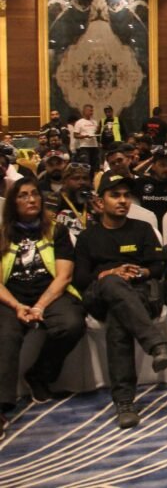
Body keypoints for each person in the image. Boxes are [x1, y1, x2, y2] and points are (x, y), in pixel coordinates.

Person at [73, 172, 167, 428]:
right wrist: (109, 273)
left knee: (120, 317)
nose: (122, 201)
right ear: (100, 201)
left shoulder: (142, 230)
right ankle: (156, 344)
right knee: (111, 284)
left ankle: (125, 403)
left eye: (127, 196)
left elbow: (159, 268)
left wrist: (141, 272)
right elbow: (81, 278)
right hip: (100, 294)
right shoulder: (88, 237)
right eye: (114, 195)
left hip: (140, 292)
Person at [0, 179, 86, 436]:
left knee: (71, 324)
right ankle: (1, 407)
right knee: (5, 335)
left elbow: (64, 276)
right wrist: (17, 306)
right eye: (23, 195)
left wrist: (38, 307)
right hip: (11, 295)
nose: (31, 200)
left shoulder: (57, 231)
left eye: (35, 194)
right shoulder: (2, 233)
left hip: (51, 293)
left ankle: (40, 374)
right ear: (14, 202)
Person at [74, 104, 101, 174]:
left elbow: (96, 133)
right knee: (86, 165)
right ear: (84, 111)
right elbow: (75, 135)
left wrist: (98, 131)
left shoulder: (94, 122)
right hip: (85, 147)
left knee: (95, 166)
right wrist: (85, 136)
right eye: (90, 111)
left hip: (94, 146)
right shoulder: (79, 122)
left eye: (92, 111)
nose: (91, 112)